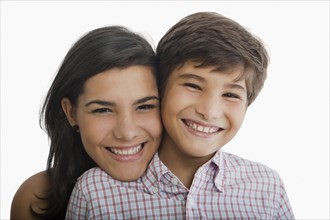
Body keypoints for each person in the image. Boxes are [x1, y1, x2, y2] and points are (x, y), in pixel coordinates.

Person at [65, 12, 295, 219]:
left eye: (231, 95)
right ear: (160, 89)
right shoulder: (95, 192)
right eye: (193, 86)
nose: (209, 111)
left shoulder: (267, 187)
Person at [10, 26, 162, 220]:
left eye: (144, 107)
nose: (126, 132)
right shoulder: (38, 197)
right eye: (103, 110)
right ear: (71, 113)